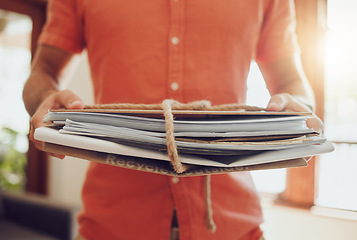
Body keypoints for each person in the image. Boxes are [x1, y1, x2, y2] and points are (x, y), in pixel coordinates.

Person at [23, 0, 322, 239]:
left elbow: (292, 83)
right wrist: (44, 99)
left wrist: (299, 109)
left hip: (233, 224)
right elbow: (43, 71)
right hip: (112, 224)